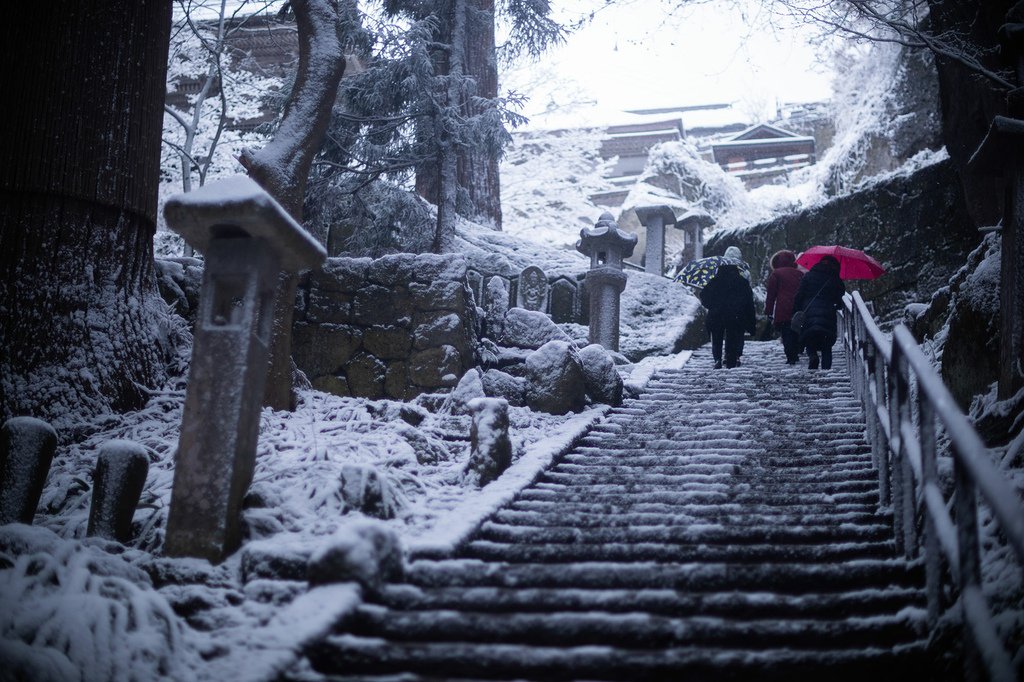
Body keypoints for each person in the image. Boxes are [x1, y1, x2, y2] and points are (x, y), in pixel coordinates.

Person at [792, 255, 846, 370]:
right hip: (828, 313)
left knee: (809, 337)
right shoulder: (835, 279)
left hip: (809, 311)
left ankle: (813, 356)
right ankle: (826, 369)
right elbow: (840, 298)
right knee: (826, 344)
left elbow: (799, 294)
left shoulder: (809, 276)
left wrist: (797, 308)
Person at [699, 264, 756, 369]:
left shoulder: (715, 281)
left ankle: (717, 359)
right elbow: (749, 302)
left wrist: (712, 306)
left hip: (717, 315)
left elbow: (703, 297)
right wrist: (750, 320)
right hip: (735, 315)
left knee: (716, 337)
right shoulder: (742, 282)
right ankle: (731, 360)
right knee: (732, 337)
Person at [764, 249, 805, 365]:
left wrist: (768, 310)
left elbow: (771, 295)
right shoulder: (799, 274)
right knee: (796, 330)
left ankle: (790, 356)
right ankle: (796, 352)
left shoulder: (776, 274)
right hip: (797, 306)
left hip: (782, 308)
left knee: (786, 332)